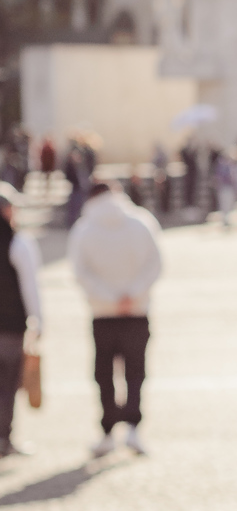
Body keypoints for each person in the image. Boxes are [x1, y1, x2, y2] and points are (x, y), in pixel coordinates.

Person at [68, 180, 163, 456]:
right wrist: (132, 294)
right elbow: (155, 263)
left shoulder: (84, 229)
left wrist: (109, 297)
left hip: (103, 313)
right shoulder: (142, 222)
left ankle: (108, 429)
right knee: (135, 371)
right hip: (136, 310)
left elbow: (80, 272)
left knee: (104, 373)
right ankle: (133, 427)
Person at [0, 182, 42, 458]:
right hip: (10, 326)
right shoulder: (17, 242)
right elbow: (30, 286)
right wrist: (39, 321)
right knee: (7, 385)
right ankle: (4, 438)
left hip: (9, 325)